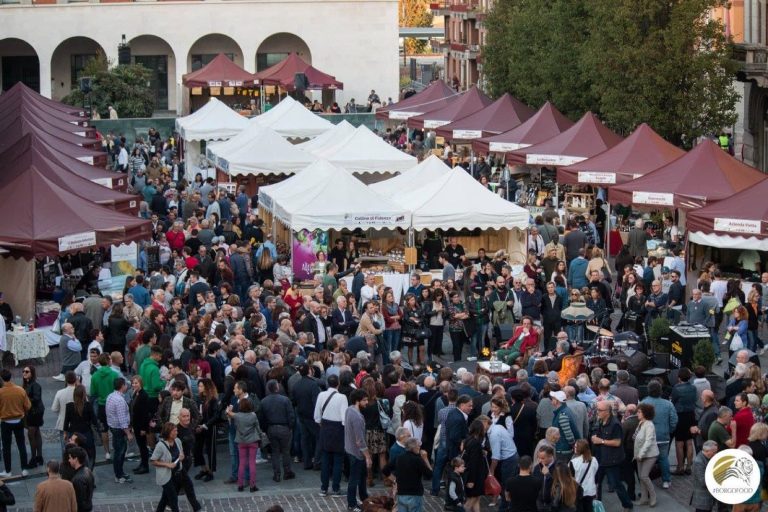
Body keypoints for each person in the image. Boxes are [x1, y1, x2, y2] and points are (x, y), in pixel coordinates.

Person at [591, 400, 633, 511]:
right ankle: (597, 506)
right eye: (597, 409)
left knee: (616, 484)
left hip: (611, 460)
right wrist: (594, 437)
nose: (597, 412)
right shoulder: (601, 421)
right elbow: (598, 435)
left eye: (600, 410)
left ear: (608, 412)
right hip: (600, 458)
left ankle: (627, 505)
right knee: (596, 483)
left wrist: (601, 441)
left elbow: (617, 442)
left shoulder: (615, 424)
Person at [315, 374, 348, 498]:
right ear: (338, 383)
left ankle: (323, 488)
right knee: (338, 460)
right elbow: (344, 418)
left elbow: (317, 416)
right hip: (338, 429)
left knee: (325, 460)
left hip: (325, 428)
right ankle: (335, 488)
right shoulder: (342, 397)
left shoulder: (321, 395)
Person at [381, 436, 433, 512]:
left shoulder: (399, 457)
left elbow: (385, 470)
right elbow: (429, 475)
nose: (419, 447)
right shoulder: (418, 460)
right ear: (414, 447)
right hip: (415, 494)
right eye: (418, 445)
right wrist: (425, 459)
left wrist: (395, 480)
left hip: (402, 494)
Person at [259, 379, 295, 482]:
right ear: (277, 388)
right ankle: (287, 471)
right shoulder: (285, 400)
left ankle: (277, 474)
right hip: (284, 428)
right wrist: (290, 427)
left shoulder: (264, 401)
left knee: (275, 452)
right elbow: (291, 416)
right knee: (285, 451)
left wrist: (265, 429)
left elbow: (262, 418)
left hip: (271, 428)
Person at [226, 398, 262, 492]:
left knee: (241, 463)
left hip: (241, 441)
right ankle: (252, 485)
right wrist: (261, 437)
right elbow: (258, 428)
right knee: (252, 463)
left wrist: (229, 409)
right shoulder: (253, 415)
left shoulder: (237, 416)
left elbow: (229, 414)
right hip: (253, 441)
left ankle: (240, 485)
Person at [0, 368, 31, 478]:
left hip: (5, 422)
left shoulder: (1, 392)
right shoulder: (20, 390)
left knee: (6, 446)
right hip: (19, 420)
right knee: (21, 445)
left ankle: (8, 471)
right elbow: (28, 405)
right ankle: (24, 469)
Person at [345, 388, 371, 511]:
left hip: (350, 449)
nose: (367, 402)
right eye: (365, 400)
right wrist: (368, 456)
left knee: (360, 477)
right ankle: (351, 503)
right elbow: (359, 440)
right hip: (357, 453)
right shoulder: (358, 417)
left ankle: (364, 497)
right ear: (357, 401)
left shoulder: (349, 410)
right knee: (354, 479)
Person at [151, 422, 184, 512]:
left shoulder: (178, 441)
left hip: (176, 474)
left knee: (165, 498)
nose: (176, 432)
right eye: (174, 431)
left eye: (176, 430)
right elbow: (153, 461)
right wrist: (167, 464)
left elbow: (181, 454)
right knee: (173, 498)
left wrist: (181, 457)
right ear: (168, 432)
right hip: (165, 476)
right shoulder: (160, 446)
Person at [105, 377, 133, 484]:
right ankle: (119, 474)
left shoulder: (110, 396)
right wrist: (128, 433)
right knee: (120, 453)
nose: (127, 386)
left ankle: (120, 472)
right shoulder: (120, 400)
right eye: (126, 384)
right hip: (119, 430)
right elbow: (122, 420)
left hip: (113, 427)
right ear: (122, 386)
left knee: (118, 451)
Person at [633, 403, 659, 507]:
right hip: (640, 455)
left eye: (639, 412)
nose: (637, 414)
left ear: (645, 413)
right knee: (641, 476)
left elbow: (649, 441)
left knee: (644, 476)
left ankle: (653, 497)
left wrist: (641, 454)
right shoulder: (641, 423)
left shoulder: (649, 425)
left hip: (650, 455)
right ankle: (644, 498)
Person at [462, 419, 489, 512]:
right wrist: (471, 480)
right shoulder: (475, 443)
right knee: (471, 501)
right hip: (475, 477)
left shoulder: (468, 439)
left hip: (474, 475)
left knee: (476, 499)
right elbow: (473, 463)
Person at [22, 365, 44, 468]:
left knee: (31, 435)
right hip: (32, 412)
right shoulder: (26, 385)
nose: (24, 373)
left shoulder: (35, 385)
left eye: (27, 371)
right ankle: (39, 457)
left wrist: (25, 399)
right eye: (23, 371)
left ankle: (34, 459)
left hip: (35, 412)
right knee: (36, 433)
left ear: (32, 373)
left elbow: (36, 398)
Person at [569, 439, 598, 512]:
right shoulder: (594, 460)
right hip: (590, 490)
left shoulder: (573, 462)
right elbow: (596, 473)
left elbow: (571, 478)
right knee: (589, 508)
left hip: (578, 491)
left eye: (576, 447)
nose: (574, 448)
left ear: (580, 449)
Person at [691, 441, 718, 512]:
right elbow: (703, 482)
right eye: (714, 452)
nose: (716, 454)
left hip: (708, 499)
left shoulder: (707, 458)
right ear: (707, 451)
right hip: (702, 500)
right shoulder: (699, 462)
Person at [67, 446, 94, 512]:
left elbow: (80, 501)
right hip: (88, 506)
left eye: (70, 458)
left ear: (75, 459)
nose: (69, 460)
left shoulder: (77, 479)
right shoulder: (88, 470)